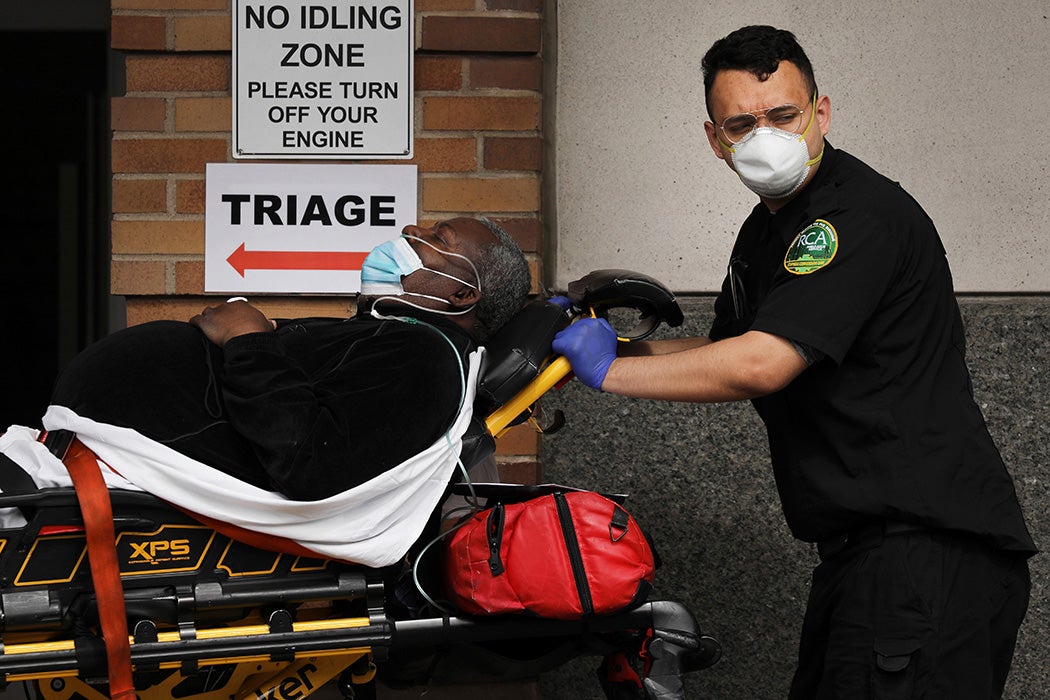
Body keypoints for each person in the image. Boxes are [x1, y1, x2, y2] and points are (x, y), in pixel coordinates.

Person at [551, 25, 1036, 699]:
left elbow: (760, 365)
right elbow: (726, 352)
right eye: (741, 123)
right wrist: (596, 349)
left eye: (783, 115)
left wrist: (611, 372)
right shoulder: (767, 230)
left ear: (821, 112)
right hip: (867, 559)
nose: (765, 136)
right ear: (714, 139)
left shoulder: (852, 217)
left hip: (928, 553)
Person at [38, 216, 530, 501]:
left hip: (122, 460)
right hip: (96, 447)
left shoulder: (425, 359)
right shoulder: (394, 336)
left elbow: (311, 461)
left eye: (438, 241)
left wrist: (247, 340)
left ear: (466, 296)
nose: (411, 228)